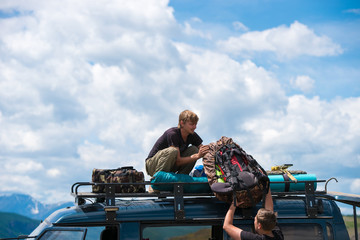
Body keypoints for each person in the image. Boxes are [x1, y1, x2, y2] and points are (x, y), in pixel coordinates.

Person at [145, 110, 209, 177]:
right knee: (173, 151)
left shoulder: (191, 134)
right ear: (182, 123)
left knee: (194, 150)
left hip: (171, 164)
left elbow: (204, 149)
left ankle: (180, 180)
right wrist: (198, 156)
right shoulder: (172, 134)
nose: (194, 127)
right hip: (152, 164)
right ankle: (159, 179)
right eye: (191, 124)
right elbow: (178, 161)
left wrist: (214, 151)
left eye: (195, 124)